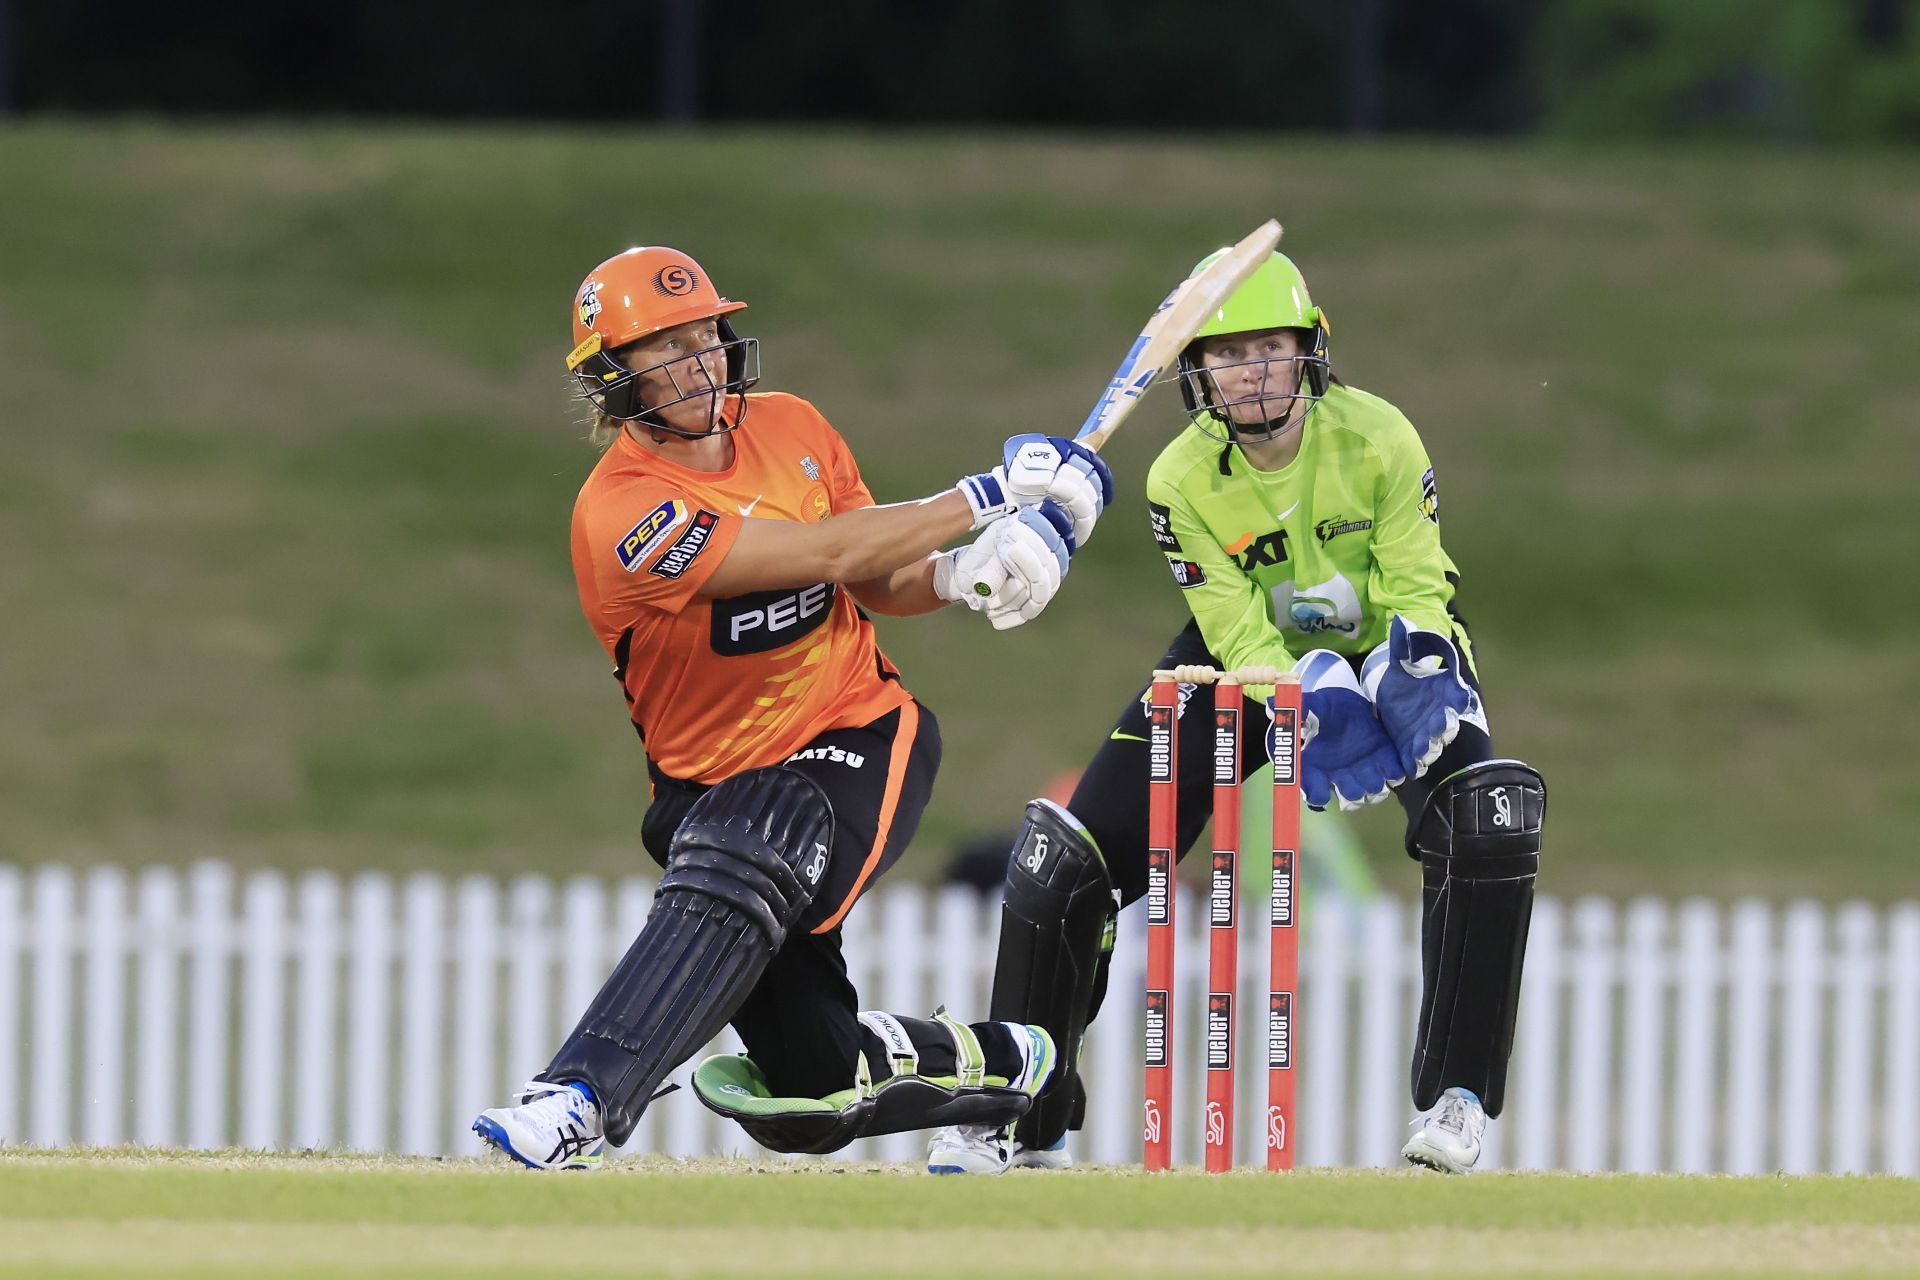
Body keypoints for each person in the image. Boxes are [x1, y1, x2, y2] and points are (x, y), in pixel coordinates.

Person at [472, 245, 1114, 1169]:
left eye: (704, 337)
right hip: (706, 793)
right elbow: (813, 557)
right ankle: (1011, 1063)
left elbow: (872, 573)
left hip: (857, 734)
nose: (697, 363)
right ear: (612, 379)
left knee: (751, 833)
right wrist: (981, 499)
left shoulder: (795, 427)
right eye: (663, 349)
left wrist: (960, 572)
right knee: (810, 1085)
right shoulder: (620, 514)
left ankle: (576, 1099)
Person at [931, 247, 1546, 1175]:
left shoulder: (1380, 436)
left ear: (1311, 352)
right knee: (1063, 859)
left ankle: (1458, 1102)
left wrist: (1401, 662)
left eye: (1269, 349)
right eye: (1226, 355)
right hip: (1244, 655)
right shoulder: (1177, 479)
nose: (1250, 372)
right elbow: (1232, 626)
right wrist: (1294, 693)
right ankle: (1019, 1111)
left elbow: (1417, 583)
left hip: (1394, 650)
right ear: (1197, 374)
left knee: (1490, 820)